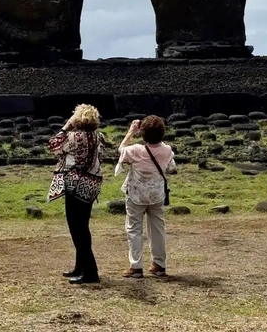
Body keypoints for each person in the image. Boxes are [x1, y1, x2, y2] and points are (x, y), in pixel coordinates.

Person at [47, 104, 105, 285]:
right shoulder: (99, 137)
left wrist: (66, 126)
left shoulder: (71, 137)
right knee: (83, 226)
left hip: (74, 184)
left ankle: (90, 271)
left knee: (77, 230)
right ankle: (80, 265)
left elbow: (53, 146)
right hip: (91, 185)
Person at [115, 115, 177, 278]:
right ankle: (159, 264)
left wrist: (130, 132)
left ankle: (136, 266)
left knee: (134, 228)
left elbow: (121, 150)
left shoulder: (135, 150)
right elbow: (171, 168)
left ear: (143, 134)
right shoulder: (167, 150)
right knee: (157, 229)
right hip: (156, 194)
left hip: (136, 194)